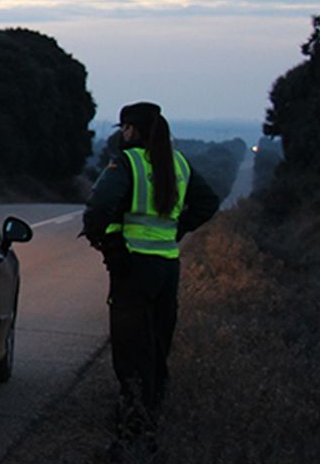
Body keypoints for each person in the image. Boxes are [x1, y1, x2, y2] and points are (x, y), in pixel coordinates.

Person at [82, 101, 220, 442]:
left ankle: (133, 424)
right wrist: (178, 229)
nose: (123, 134)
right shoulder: (179, 163)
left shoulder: (126, 162)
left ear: (133, 130)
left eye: (124, 128)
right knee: (158, 343)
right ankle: (154, 414)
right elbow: (208, 202)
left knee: (130, 346)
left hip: (132, 267)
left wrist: (107, 243)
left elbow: (99, 207)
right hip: (166, 267)